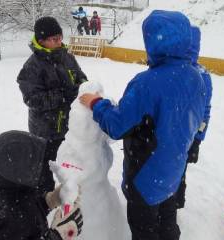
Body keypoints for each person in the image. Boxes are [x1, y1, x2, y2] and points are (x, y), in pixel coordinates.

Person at [79, 10, 206, 240]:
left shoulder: (146, 83)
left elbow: (116, 125)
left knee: (144, 230)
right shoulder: (196, 77)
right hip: (173, 170)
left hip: (146, 178)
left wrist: (97, 103)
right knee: (167, 223)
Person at [17, 17, 87, 196]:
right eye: (54, 39)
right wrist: (63, 95)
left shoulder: (67, 57)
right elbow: (33, 99)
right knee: (45, 173)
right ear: (41, 41)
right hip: (45, 132)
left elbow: (81, 78)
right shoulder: (31, 67)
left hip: (70, 127)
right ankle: (45, 204)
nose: (59, 41)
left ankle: (71, 198)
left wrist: (84, 88)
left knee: (71, 167)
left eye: (60, 37)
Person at [0, 130, 83, 240]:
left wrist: (48, 201)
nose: (39, 168)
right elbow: (16, 219)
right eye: (33, 164)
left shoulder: (7, 185)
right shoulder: (0, 218)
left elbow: (23, 207)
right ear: (18, 170)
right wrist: (57, 236)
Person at [175, 25, 213, 209]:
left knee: (173, 171)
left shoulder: (173, 70)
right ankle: (174, 201)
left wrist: (197, 141)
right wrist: (197, 139)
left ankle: (173, 202)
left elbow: (205, 111)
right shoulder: (203, 74)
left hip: (173, 135)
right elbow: (205, 112)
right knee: (178, 170)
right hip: (186, 136)